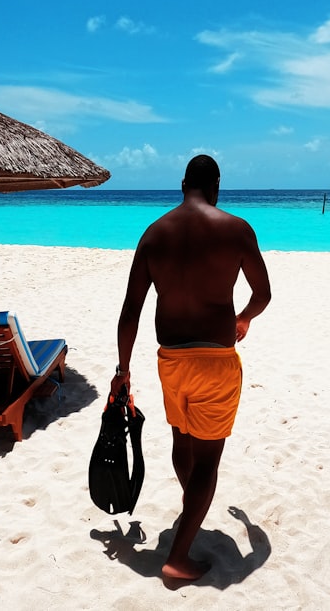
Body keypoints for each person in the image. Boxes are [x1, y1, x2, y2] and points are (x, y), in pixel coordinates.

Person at [111, 154, 271, 581]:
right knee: (209, 460)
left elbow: (131, 311)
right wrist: (243, 318)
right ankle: (178, 558)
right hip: (215, 360)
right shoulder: (235, 230)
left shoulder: (153, 234)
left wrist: (122, 369)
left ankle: (192, 509)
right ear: (216, 185)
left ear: (183, 183)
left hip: (170, 360)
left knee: (182, 438)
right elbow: (263, 293)